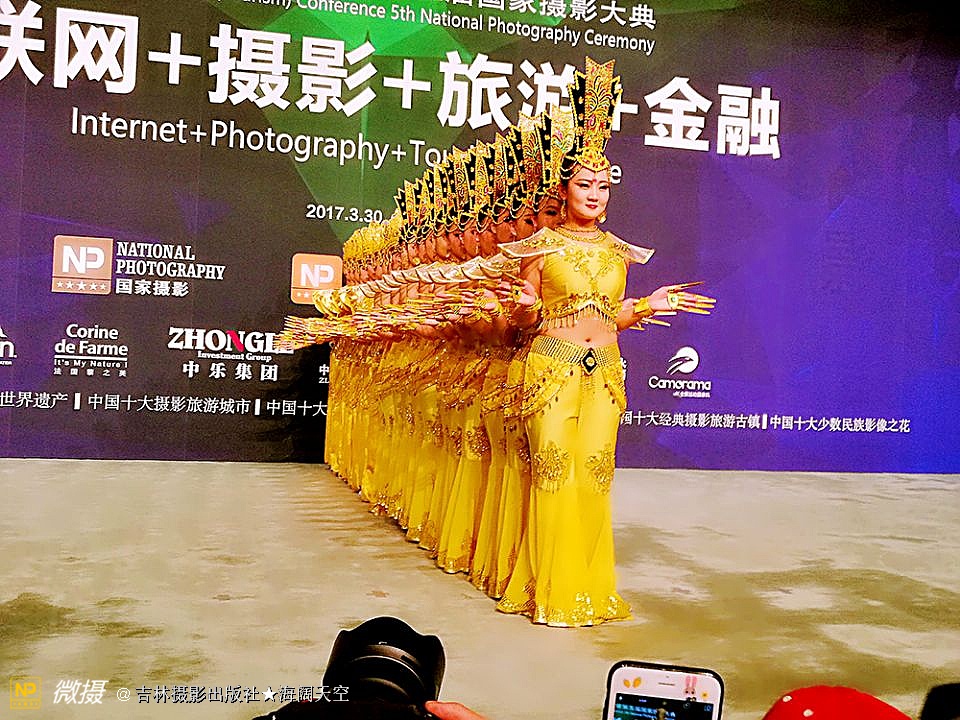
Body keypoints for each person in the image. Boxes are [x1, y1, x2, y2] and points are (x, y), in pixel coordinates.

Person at [493, 59, 714, 626]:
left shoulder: (620, 251)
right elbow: (523, 318)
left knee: (594, 473)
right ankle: (550, 591)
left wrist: (647, 305)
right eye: (583, 184)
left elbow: (610, 314)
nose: (594, 194)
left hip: (605, 373)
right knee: (551, 470)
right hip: (550, 369)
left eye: (603, 186)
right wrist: (524, 307)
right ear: (563, 189)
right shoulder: (540, 247)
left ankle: (588, 590)